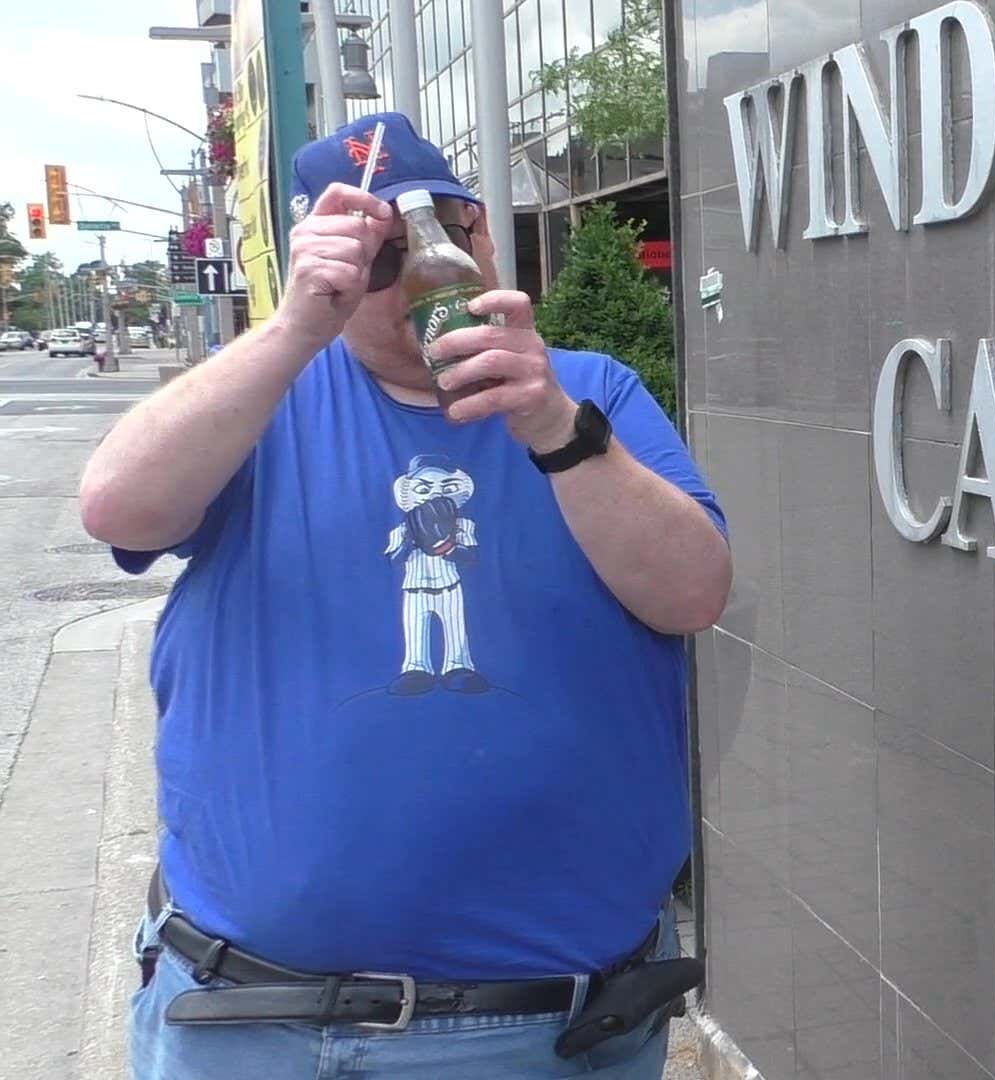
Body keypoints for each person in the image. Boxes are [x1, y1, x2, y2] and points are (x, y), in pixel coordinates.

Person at [80, 113, 731, 1079]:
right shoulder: (264, 397)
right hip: (256, 1020)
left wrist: (554, 423)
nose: (422, 271)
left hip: (542, 1034)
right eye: (374, 257)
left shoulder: (593, 393)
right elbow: (119, 511)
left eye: (442, 228)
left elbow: (693, 594)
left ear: (479, 235)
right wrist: (297, 326)